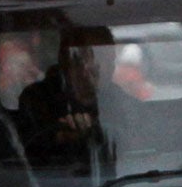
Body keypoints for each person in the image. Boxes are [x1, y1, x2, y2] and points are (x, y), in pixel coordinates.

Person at [17, 27, 117, 173]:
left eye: (104, 58)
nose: (90, 67)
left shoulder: (124, 103)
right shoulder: (37, 100)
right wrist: (61, 137)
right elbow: (23, 153)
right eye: (80, 58)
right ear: (65, 62)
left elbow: (137, 143)